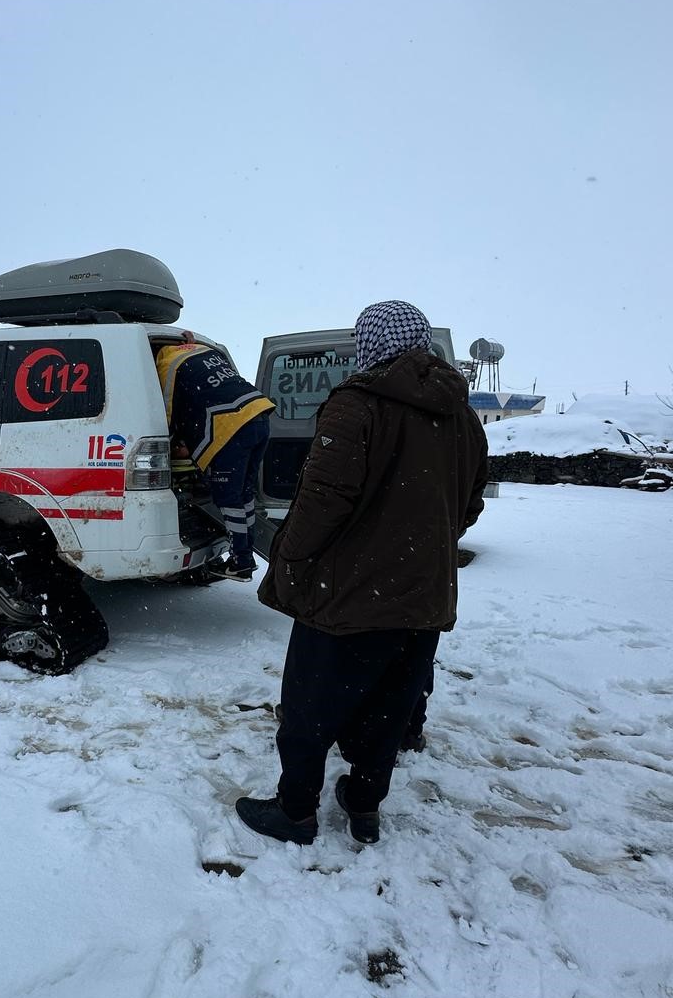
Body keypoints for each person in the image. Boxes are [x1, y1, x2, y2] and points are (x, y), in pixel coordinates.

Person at [237, 300, 488, 845]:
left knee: (308, 707)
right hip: (423, 598)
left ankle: (296, 811)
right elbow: (469, 506)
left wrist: (289, 556)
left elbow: (322, 500)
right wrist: (421, 547)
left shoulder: (358, 405)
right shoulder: (462, 415)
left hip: (348, 594)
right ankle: (364, 804)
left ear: (368, 343)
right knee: (389, 707)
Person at [156, 338, 274, 579]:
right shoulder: (200, 350)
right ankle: (244, 552)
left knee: (228, 496)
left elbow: (166, 408)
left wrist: (166, 440)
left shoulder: (167, 364)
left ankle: (241, 560)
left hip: (232, 425)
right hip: (259, 413)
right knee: (244, 492)